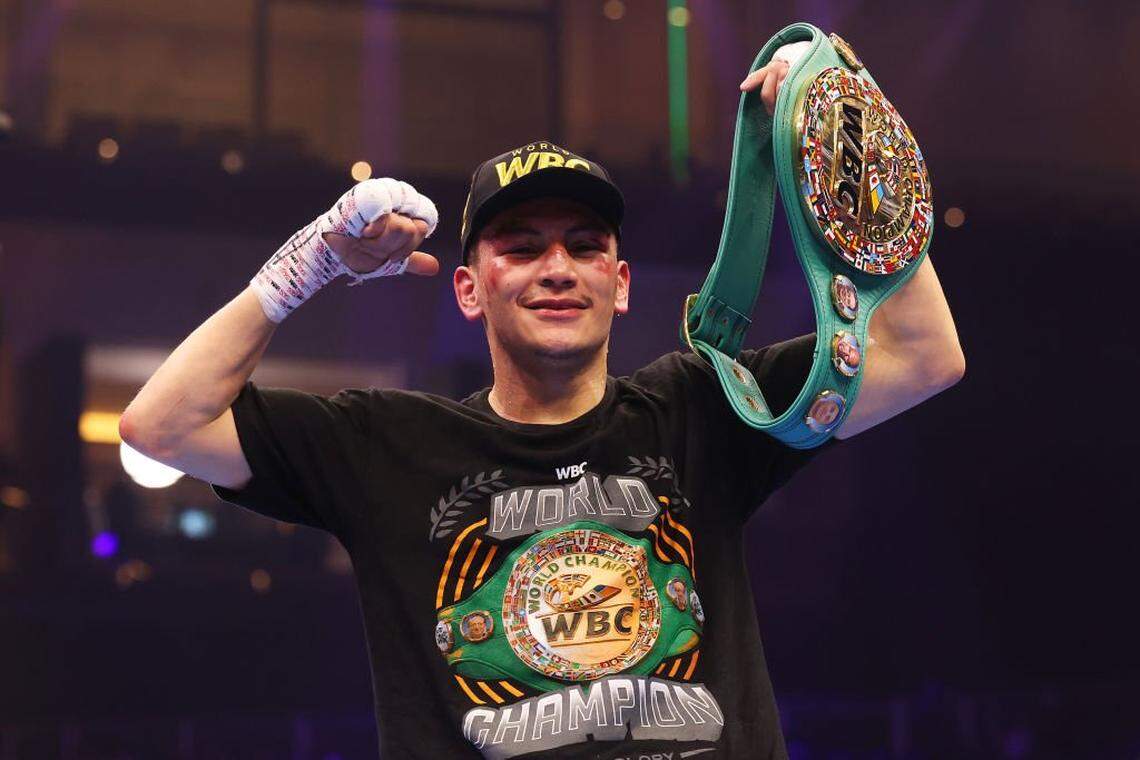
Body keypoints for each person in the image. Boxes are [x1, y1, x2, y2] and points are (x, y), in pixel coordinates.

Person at [120, 54, 964, 759]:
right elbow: (162, 424)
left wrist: (844, 138)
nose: (556, 267)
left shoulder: (705, 408)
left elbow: (925, 358)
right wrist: (308, 266)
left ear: (621, 284)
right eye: (520, 248)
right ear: (468, 290)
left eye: (585, 246)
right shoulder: (390, 446)